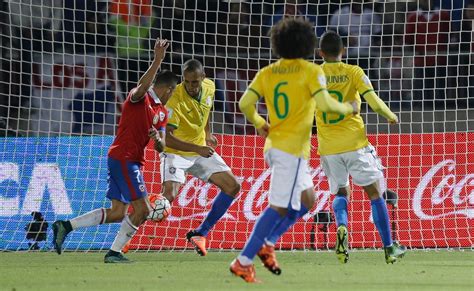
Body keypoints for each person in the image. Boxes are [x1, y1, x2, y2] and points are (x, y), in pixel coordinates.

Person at [231, 18, 357, 283]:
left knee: (308, 199)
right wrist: (350, 108)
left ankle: (269, 242)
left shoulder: (268, 72)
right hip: (289, 151)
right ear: (307, 44)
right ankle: (243, 261)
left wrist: (259, 123)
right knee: (277, 207)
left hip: (278, 146)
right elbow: (326, 105)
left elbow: (244, 102)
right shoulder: (311, 71)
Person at [52, 38, 179, 263]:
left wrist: (157, 139)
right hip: (124, 158)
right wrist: (157, 60)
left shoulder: (162, 112)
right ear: (168, 88)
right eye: (173, 92)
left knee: (118, 212)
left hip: (130, 160)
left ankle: (65, 226)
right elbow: (142, 86)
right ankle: (114, 253)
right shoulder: (139, 98)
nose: (172, 96)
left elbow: (161, 144)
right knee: (143, 209)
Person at [316, 30, 406, 264]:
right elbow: (373, 101)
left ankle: (342, 228)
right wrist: (390, 115)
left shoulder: (313, 75)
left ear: (321, 53)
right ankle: (389, 247)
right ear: (343, 51)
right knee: (375, 193)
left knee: (341, 193)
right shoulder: (354, 71)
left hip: (328, 147)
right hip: (354, 143)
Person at [160, 59, 241, 257]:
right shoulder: (174, 100)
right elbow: (167, 139)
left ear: (202, 78)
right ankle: (126, 237)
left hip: (199, 149)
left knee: (233, 186)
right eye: (187, 82)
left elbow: (206, 110)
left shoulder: (210, 86)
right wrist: (198, 147)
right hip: (176, 152)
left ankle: (200, 233)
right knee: (166, 199)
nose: (190, 86)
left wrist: (207, 133)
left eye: (194, 82)